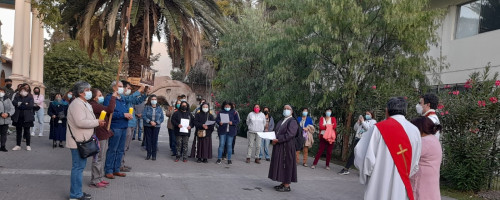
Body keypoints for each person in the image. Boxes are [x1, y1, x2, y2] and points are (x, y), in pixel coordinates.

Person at [355, 97, 421, 200]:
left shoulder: (378, 128)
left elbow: (363, 155)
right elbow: (415, 162)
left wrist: (366, 175)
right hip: (401, 183)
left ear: (387, 110)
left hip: (378, 182)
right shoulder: (415, 131)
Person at [66, 81, 105, 200]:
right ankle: (75, 195)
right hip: (78, 141)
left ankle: (78, 192)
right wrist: (96, 122)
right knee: (77, 168)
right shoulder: (76, 104)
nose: (89, 92)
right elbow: (80, 122)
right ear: (81, 93)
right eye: (87, 90)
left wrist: (97, 121)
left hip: (84, 140)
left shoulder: (85, 103)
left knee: (80, 167)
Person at [103, 81, 135, 179]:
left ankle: (116, 169)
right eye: (120, 86)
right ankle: (108, 170)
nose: (122, 88)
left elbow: (125, 110)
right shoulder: (109, 98)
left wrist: (128, 115)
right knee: (113, 149)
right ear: (114, 88)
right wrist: (123, 115)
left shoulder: (122, 99)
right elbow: (109, 113)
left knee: (120, 150)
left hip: (124, 126)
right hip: (115, 127)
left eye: (122, 86)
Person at [89, 88, 117, 188]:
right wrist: (113, 97)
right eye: (100, 95)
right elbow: (110, 109)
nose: (102, 97)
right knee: (98, 157)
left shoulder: (97, 105)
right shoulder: (93, 105)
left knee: (101, 157)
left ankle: (99, 178)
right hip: (99, 135)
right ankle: (95, 180)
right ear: (94, 97)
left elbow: (108, 111)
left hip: (103, 133)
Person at [410, 117, 442, 200]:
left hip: (422, 182)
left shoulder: (424, 142)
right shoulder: (433, 139)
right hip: (430, 181)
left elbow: (408, 154)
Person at [268, 104, 299, 192]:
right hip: (279, 145)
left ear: (292, 111)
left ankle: (287, 185)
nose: (286, 110)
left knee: (287, 164)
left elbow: (290, 134)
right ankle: (283, 182)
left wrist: (278, 139)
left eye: (288, 109)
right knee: (281, 164)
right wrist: (273, 138)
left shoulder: (292, 121)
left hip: (287, 146)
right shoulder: (282, 120)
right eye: (284, 108)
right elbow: (277, 131)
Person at [120, 81, 148, 172]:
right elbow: (130, 98)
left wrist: (145, 94)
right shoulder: (122, 97)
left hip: (132, 124)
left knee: (127, 146)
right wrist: (139, 91)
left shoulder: (129, 98)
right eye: (128, 88)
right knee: (123, 146)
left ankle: (122, 163)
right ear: (123, 88)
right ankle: (120, 165)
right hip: (126, 124)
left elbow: (138, 100)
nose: (129, 90)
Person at [339, 110, 377, 175]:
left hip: (364, 140)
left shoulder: (373, 122)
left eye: (368, 114)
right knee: (355, 154)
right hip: (358, 138)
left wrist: (362, 122)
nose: (366, 115)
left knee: (354, 154)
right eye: (366, 114)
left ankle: (346, 168)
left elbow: (368, 129)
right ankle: (361, 170)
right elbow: (355, 129)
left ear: (372, 115)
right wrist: (358, 122)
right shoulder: (364, 121)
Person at [11, 86, 34, 151]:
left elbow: (30, 106)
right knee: (18, 132)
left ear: (27, 91)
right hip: (18, 117)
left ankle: (28, 145)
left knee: (27, 131)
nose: (23, 92)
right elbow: (14, 103)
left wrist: (20, 105)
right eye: (21, 91)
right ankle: (18, 145)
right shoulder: (17, 97)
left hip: (27, 117)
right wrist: (24, 104)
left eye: (24, 91)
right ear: (19, 91)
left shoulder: (30, 97)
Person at [142, 95, 164, 160]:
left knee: (154, 140)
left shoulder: (159, 108)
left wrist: (156, 123)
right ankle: (148, 154)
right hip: (148, 125)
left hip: (156, 126)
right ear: (150, 100)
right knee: (148, 140)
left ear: (156, 100)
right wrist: (150, 122)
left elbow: (162, 118)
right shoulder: (147, 107)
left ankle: (154, 155)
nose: (154, 100)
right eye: (152, 99)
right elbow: (144, 116)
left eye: (155, 99)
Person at [0, 87, 15, 152]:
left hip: (6, 120)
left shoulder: (7, 99)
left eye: (2, 91)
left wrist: (8, 114)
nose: (1, 93)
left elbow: (12, 108)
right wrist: (1, 114)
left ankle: (3, 146)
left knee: (4, 134)